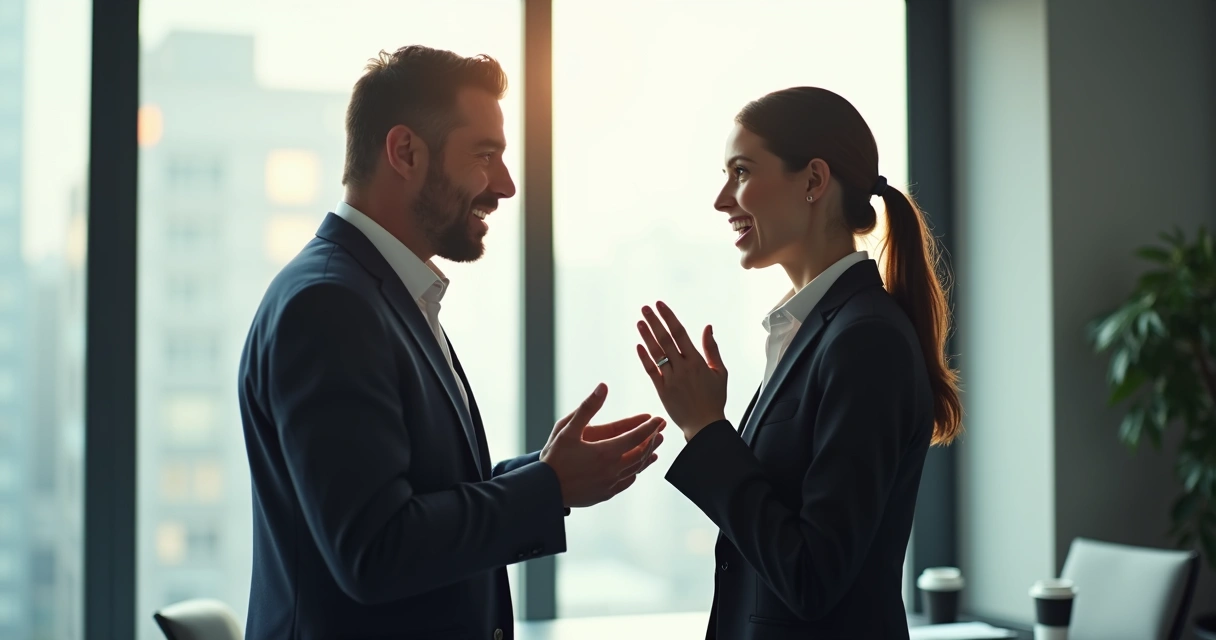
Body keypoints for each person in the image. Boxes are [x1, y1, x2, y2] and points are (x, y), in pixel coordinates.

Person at [238, 46, 664, 640]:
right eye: (485, 155)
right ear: (405, 152)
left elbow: (421, 496)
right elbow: (375, 548)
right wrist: (548, 487)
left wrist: (544, 473)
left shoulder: (379, 293)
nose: (507, 186)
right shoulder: (330, 305)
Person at [633, 87, 963, 639]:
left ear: (813, 180)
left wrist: (707, 431)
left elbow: (812, 575)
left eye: (740, 172)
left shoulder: (865, 340)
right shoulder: (819, 331)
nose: (722, 199)